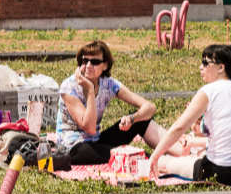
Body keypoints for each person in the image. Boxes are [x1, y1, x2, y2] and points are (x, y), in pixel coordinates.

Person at [148, 44, 231, 188]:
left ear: (220, 68)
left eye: (205, 63)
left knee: (171, 164)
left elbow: (179, 127)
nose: (200, 67)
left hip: (227, 172)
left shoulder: (209, 91)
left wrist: (154, 157)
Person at [56, 40, 185, 166]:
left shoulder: (108, 83)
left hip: (95, 140)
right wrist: (90, 90)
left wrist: (132, 118)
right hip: (72, 148)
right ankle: (171, 164)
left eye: (94, 62)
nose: (88, 66)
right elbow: (89, 127)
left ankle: (184, 153)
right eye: (84, 61)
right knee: (129, 154)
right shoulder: (69, 86)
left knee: (141, 121)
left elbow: (150, 108)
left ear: (105, 65)